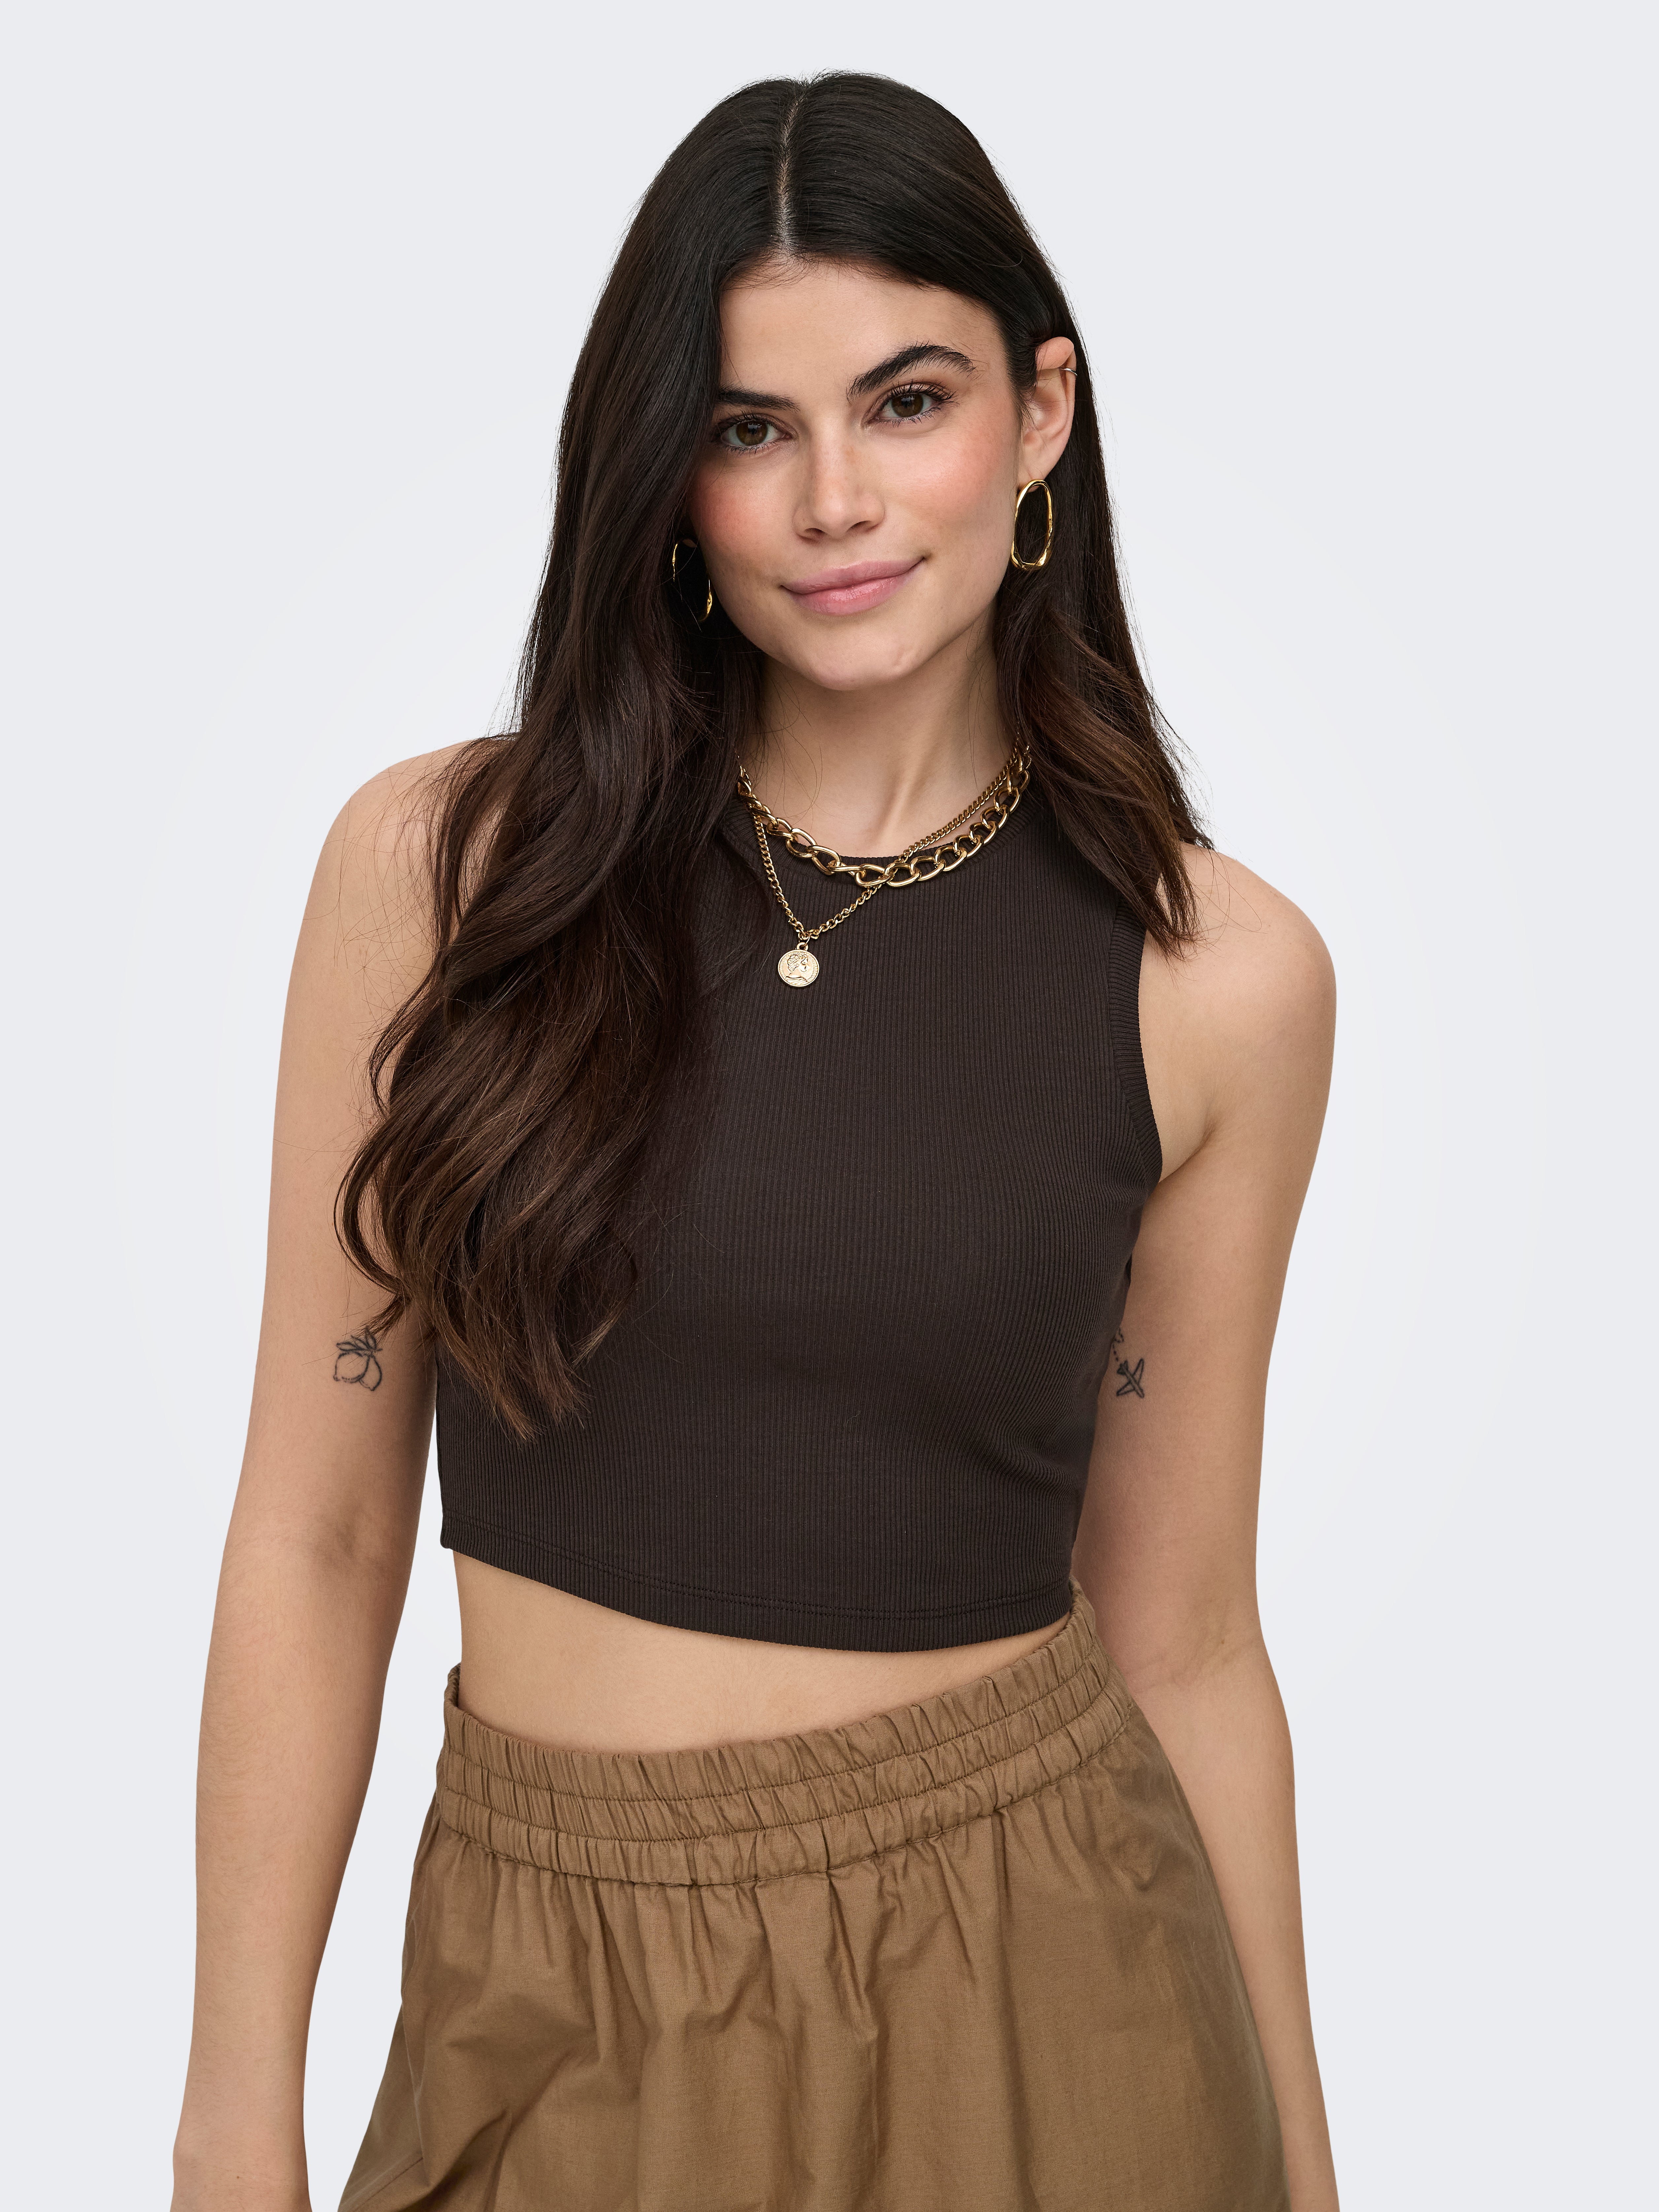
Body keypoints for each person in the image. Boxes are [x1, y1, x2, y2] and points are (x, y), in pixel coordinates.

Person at [172, 71, 1339, 2212]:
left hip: (1042, 1976)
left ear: (1040, 416)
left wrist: (1310, 2176)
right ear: (665, 474)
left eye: (907, 402)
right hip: (546, 1975)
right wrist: (233, 2116)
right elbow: (316, 1539)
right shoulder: (447, 877)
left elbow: (1181, 1637)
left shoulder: (1214, 979)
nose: (833, 500)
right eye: (747, 427)